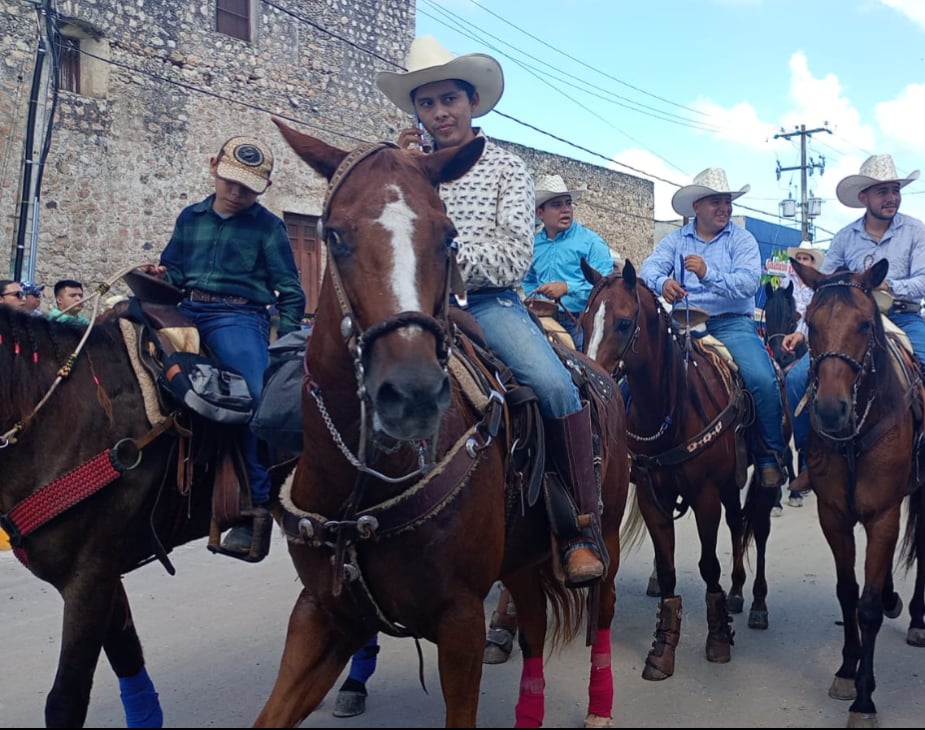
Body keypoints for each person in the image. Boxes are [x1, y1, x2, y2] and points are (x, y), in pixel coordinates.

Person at [334, 37, 610, 718]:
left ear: (472, 101)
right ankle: (307, 511)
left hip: (485, 303)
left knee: (555, 387)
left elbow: (513, 252)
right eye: (427, 100)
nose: (438, 110)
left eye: (448, 98)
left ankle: (578, 527)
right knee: (315, 378)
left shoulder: (508, 167)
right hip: (402, 302)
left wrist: (439, 251)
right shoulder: (400, 162)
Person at [781, 154, 925, 499]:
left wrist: (889, 286)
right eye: (882, 191)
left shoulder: (914, 229)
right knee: (795, 380)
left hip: (902, 317)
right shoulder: (845, 237)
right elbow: (825, 290)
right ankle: (808, 460)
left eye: (895, 190)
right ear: (864, 197)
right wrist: (804, 331)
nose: (891, 198)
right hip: (851, 323)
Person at [152, 135, 306, 554]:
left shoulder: (269, 228)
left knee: (255, 401)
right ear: (213, 165)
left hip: (237, 318)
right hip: (184, 308)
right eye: (231, 182)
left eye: (248, 188)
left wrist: (285, 344)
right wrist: (159, 275)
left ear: (263, 189)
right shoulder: (190, 217)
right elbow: (175, 271)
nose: (237, 193)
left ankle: (255, 503)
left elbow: (291, 292)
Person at [640, 167, 786, 491]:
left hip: (731, 323)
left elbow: (748, 284)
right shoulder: (675, 240)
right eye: (716, 202)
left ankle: (770, 455)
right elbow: (649, 267)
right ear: (697, 207)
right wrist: (662, 282)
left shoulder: (742, 239)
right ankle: (634, 449)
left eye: (727, 202)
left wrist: (708, 273)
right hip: (682, 324)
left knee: (762, 379)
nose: (724, 208)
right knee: (633, 380)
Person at [522, 174, 615, 347]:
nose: (566, 209)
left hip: (580, 322)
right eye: (557, 205)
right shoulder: (533, 244)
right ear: (540, 213)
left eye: (568, 203)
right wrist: (536, 296)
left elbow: (606, 287)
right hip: (540, 316)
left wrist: (567, 288)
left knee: (592, 368)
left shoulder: (592, 243)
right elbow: (527, 278)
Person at [784, 243, 823, 508]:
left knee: (797, 379)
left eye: (806, 258)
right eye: (798, 258)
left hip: (812, 342)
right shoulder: (784, 286)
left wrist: (802, 334)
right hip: (786, 338)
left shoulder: (819, 288)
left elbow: (811, 321)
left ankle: (807, 456)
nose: (802, 261)